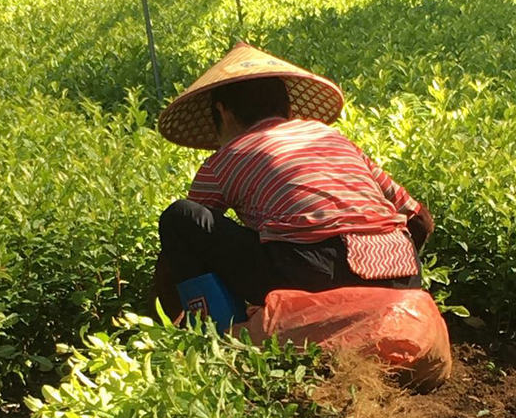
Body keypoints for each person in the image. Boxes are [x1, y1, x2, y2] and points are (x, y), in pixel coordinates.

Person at [153, 42, 434, 321]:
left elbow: (185, 242)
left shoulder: (225, 158)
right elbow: (420, 220)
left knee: (180, 217)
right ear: (287, 107)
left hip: (314, 274)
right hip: (401, 270)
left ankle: (218, 330)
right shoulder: (332, 138)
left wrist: (164, 305)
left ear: (223, 111)